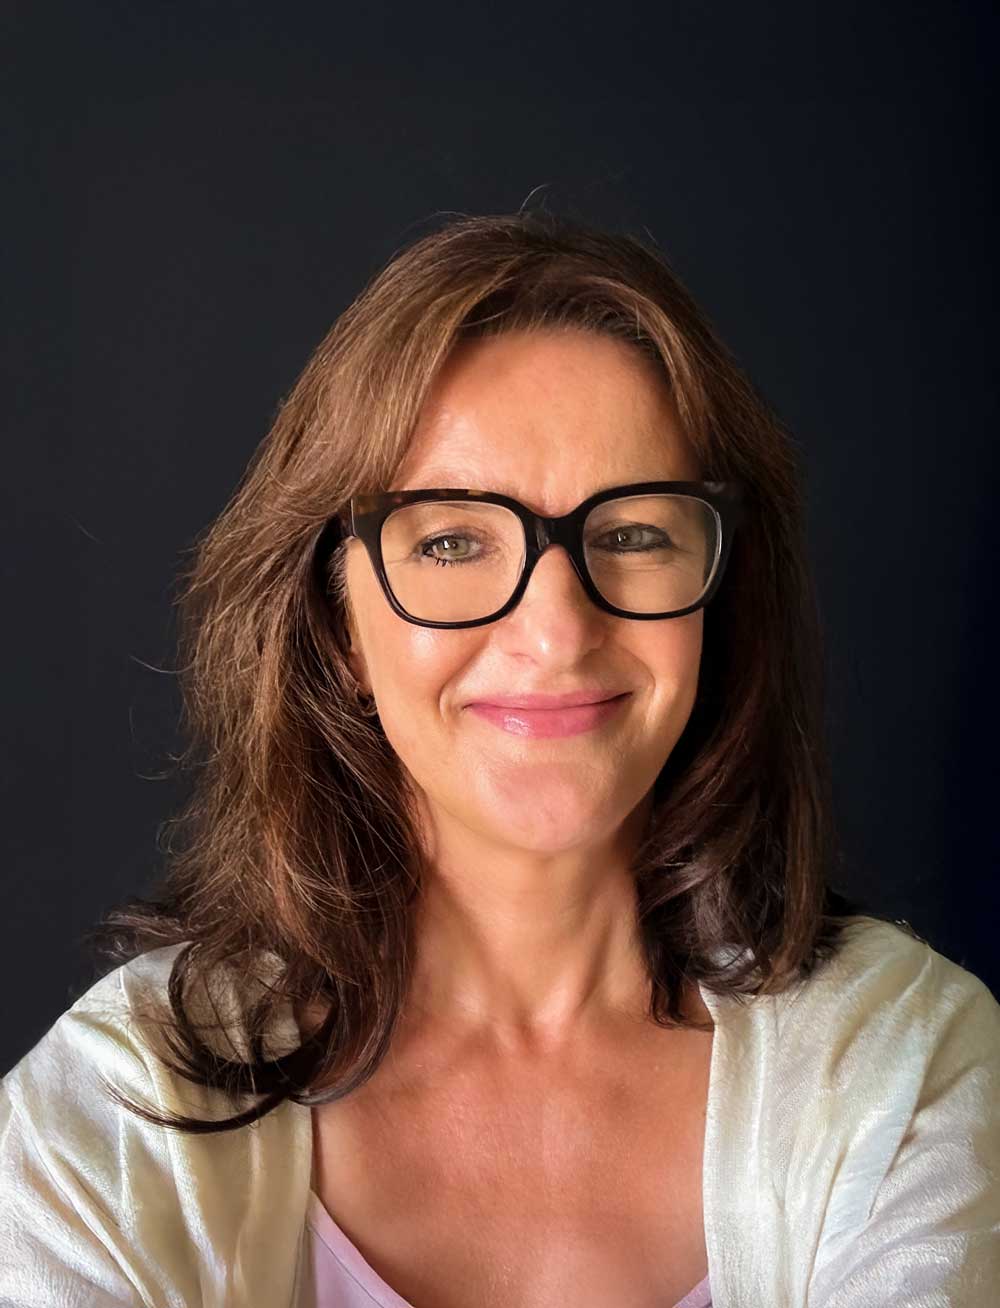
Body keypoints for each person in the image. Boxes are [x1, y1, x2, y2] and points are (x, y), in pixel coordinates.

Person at [2, 210, 997, 1308]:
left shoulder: (906, 1065)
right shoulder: (109, 1112)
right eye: (452, 541)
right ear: (336, 620)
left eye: (631, 532)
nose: (556, 632)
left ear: (717, 597)